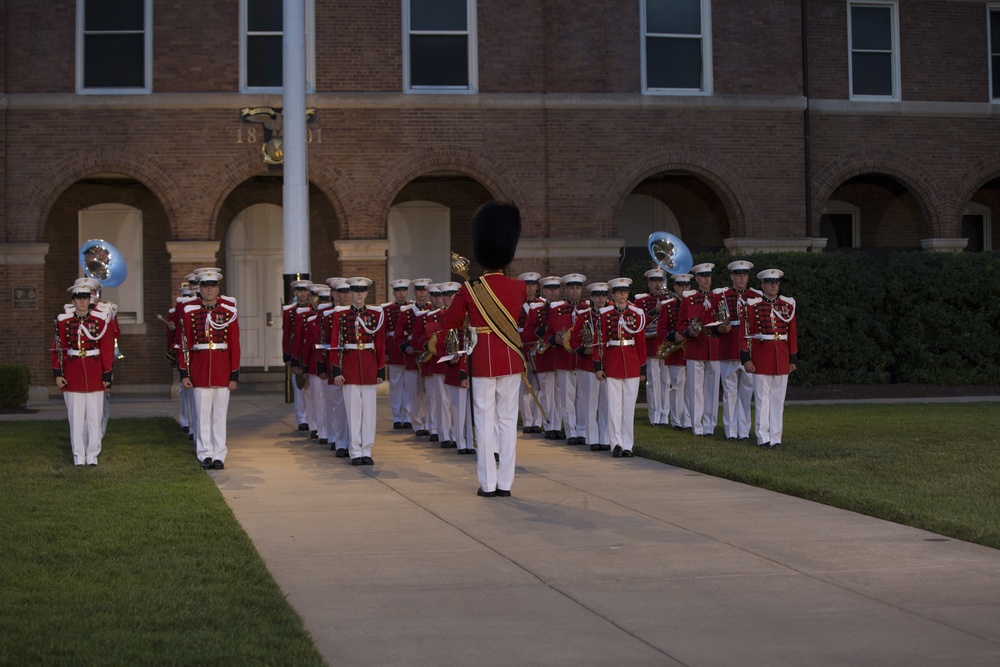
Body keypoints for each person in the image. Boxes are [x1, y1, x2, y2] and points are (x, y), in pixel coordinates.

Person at [426, 201, 526, 498]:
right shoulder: (519, 287)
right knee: (508, 421)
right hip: (510, 358)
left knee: (483, 420)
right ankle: (506, 483)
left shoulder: (469, 288)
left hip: (482, 358)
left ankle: (488, 483)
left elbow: (449, 321)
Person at [177, 270, 240, 470]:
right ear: (200, 289)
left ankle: (219, 454)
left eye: (213, 286)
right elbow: (185, 344)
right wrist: (184, 373)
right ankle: (204, 453)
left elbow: (234, 345)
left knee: (220, 416)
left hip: (222, 369)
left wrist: (234, 374)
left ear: (218, 289)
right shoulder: (190, 312)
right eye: (205, 286)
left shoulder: (229, 313)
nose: (210, 289)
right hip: (199, 368)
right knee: (202, 415)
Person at [323, 277, 386, 466]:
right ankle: (355, 450)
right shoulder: (340, 315)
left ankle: (367, 449)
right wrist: (337, 371)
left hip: (368, 365)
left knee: (369, 412)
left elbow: (381, 344)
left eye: (362, 290)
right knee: (353, 411)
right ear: (349, 294)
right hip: (349, 365)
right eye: (355, 291)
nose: (359, 294)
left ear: (366, 293)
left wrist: (380, 369)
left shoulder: (375, 315)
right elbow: (335, 344)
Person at [53, 283, 115, 466]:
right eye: (78, 298)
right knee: (76, 418)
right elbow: (57, 350)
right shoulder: (63, 322)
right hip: (73, 373)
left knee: (94, 417)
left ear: (90, 300)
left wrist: (106, 375)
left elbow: (106, 350)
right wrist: (58, 373)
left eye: (85, 298)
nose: (81, 301)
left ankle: (93, 454)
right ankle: (78, 455)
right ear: (73, 301)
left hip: (95, 372)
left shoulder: (100, 321)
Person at [741, 269, 798, 449]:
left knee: (778, 399)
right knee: (762, 399)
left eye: (776, 282)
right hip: (761, 355)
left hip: (781, 356)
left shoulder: (787, 305)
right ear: (762, 285)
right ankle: (762, 437)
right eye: (769, 282)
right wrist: (746, 358)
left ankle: (776, 437)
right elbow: (746, 333)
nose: (773, 285)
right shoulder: (753, 305)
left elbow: (792, 335)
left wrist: (792, 359)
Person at [676, 263, 731, 437]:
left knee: (712, 389)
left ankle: (710, 425)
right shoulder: (689, 298)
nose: (706, 279)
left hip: (714, 347)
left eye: (708, 276)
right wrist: (688, 331)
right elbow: (680, 324)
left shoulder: (718, 297)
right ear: (697, 279)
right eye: (703, 276)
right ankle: (697, 425)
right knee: (695, 388)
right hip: (696, 346)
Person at [594, 277, 647, 458]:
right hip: (612, 361)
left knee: (628, 407)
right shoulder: (604, 313)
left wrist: (642, 368)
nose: (622, 295)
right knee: (614, 407)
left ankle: (628, 445)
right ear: (614, 294)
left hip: (631, 362)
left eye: (625, 292)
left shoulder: (636, 313)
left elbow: (640, 343)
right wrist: (598, 366)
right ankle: (615, 443)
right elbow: (599, 342)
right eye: (619, 292)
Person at [717, 260, 756, 442]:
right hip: (729, 347)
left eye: (745, 275)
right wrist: (720, 327)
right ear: (732, 276)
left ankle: (744, 430)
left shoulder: (755, 296)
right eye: (738, 275)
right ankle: (731, 430)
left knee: (747, 391)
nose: (742, 278)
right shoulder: (723, 295)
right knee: (730, 391)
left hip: (748, 349)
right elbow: (713, 320)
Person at [546, 273, 586, 444]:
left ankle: (583, 430)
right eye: (571, 288)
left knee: (583, 396)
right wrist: (557, 339)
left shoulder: (588, 308)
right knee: (567, 398)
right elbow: (549, 335)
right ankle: (571, 432)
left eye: (577, 288)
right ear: (566, 289)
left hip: (584, 359)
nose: (575, 291)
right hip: (565, 358)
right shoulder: (557, 309)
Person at [569, 282, 609, 450]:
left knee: (606, 404)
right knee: (590, 403)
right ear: (591, 297)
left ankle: (605, 438)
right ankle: (592, 438)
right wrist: (583, 350)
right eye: (597, 295)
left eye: (604, 295)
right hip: (587, 365)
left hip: (608, 364)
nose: (601, 298)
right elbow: (573, 340)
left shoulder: (611, 314)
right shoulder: (584, 315)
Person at [522, 276, 561, 439]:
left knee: (559, 393)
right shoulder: (537, 310)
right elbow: (527, 332)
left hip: (559, 354)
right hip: (541, 353)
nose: (553, 292)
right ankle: (546, 423)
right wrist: (543, 330)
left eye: (556, 289)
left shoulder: (563, 308)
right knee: (543, 390)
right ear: (544, 291)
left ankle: (556, 425)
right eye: (549, 289)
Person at [393, 278, 432, 434]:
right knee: (414, 392)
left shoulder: (432, 310)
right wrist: (405, 346)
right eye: (419, 290)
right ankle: (417, 424)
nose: (422, 293)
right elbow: (397, 335)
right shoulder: (407, 312)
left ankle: (430, 423)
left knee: (430, 392)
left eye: (425, 290)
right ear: (415, 292)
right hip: (412, 355)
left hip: (429, 355)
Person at [656, 273, 693, 431]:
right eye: (680, 285)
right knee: (677, 385)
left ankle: (689, 420)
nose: (683, 288)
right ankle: (677, 420)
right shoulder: (668, 305)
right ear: (675, 287)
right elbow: (661, 329)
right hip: (676, 350)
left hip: (691, 349)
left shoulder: (694, 302)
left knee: (691, 387)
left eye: (686, 285)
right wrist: (673, 335)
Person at [634, 268, 666, 426]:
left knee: (666, 382)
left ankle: (665, 416)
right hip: (651, 344)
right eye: (654, 281)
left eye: (659, 281)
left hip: (667, 345)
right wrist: (655, 311)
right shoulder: (641, 301)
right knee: (653, 382)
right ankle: (654, 416)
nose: (657, 284)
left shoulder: (669, 299)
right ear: (649, 283)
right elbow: (639, 323)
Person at [382, 278, 412, 429]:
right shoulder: (387, 310)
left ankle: (407, 416)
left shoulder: (413, 308)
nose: (401, 294)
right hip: (394, 347)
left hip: (409, 347)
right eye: (398, 291)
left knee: (409, 384)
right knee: (395, 385)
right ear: (394, 293)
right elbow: (384, 333)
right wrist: (385, 352)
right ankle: (396, 417)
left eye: (404, 290)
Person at [283, 279, 312, 431]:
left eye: (306, 291)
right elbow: (287, 334)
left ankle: (311, 417)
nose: (303, 293)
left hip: (310, 351)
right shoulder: (289, 311)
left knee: (311, 388)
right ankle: (302, 419)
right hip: (298, 352)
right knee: (300, 387)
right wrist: (288, 357)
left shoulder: (315, 309)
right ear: (295, 293)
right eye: (300, 291)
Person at [517, 272, 544, 434]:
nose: (531, 288)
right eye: (528, 285)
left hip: (538, 348)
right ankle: (527, 421)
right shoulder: (516, 304)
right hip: (522, 348)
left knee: (539, 386)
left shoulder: (542, 304)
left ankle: (538, 421)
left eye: (533, 285)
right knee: (525, 387)